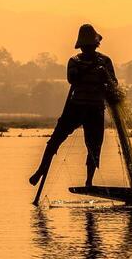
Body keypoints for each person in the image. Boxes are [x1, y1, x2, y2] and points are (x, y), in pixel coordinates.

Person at [29, 24, 119, 189]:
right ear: (82, 47)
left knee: (94, 147)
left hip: (95, 109)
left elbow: (114, 83)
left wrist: (104, 75)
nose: (88, 49)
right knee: (54, 141)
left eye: (91, 46)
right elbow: (72, 79)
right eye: (86, 47)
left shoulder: (105, 61)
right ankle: (40, 170)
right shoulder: (74, 61)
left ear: (95, 45)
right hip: (75, 108)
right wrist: (80, 74)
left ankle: (89, 182)